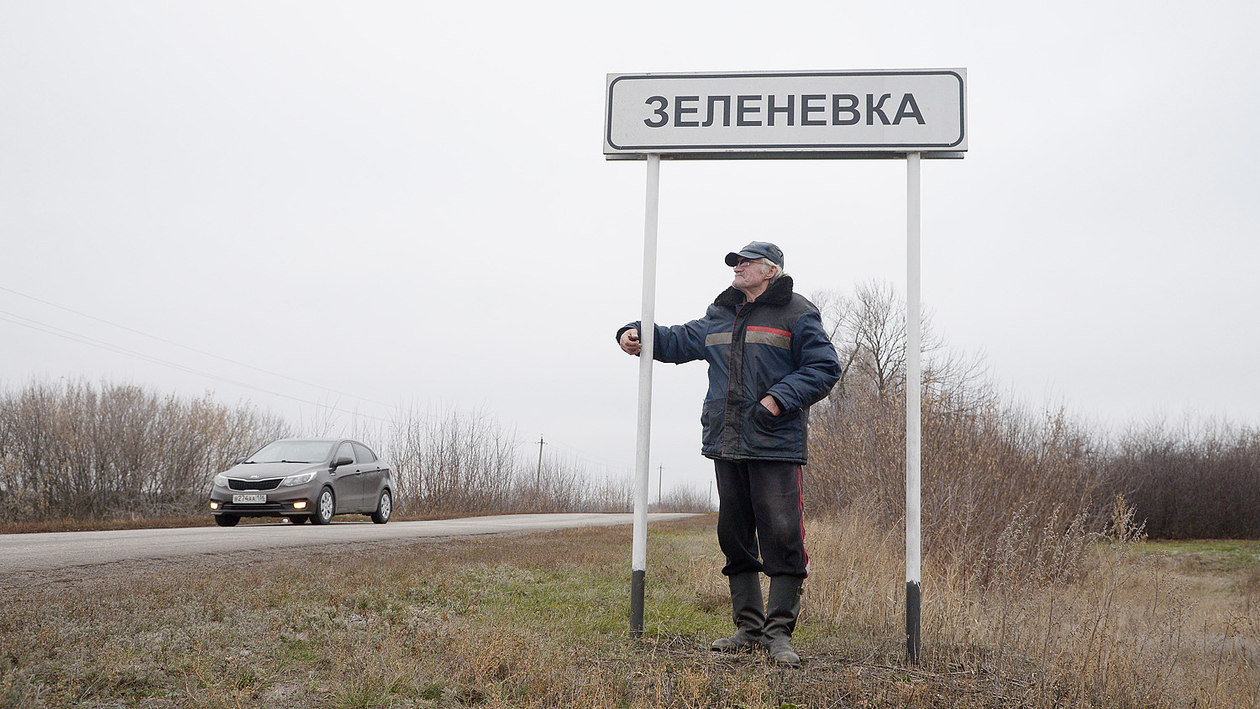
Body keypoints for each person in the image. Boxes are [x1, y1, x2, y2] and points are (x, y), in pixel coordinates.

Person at [616, 241, 841, 666]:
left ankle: (779, 634)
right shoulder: (721, 313)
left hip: (775, 444)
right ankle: (748, 628)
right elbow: (678, 340)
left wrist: (776, 399)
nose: (737, 268)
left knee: (783, 535)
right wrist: (636, 333)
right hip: (726, 442)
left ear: (769, 270)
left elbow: (824, 367)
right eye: (735, 263)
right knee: (734, 535)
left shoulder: (797, 312)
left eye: (745, 262)